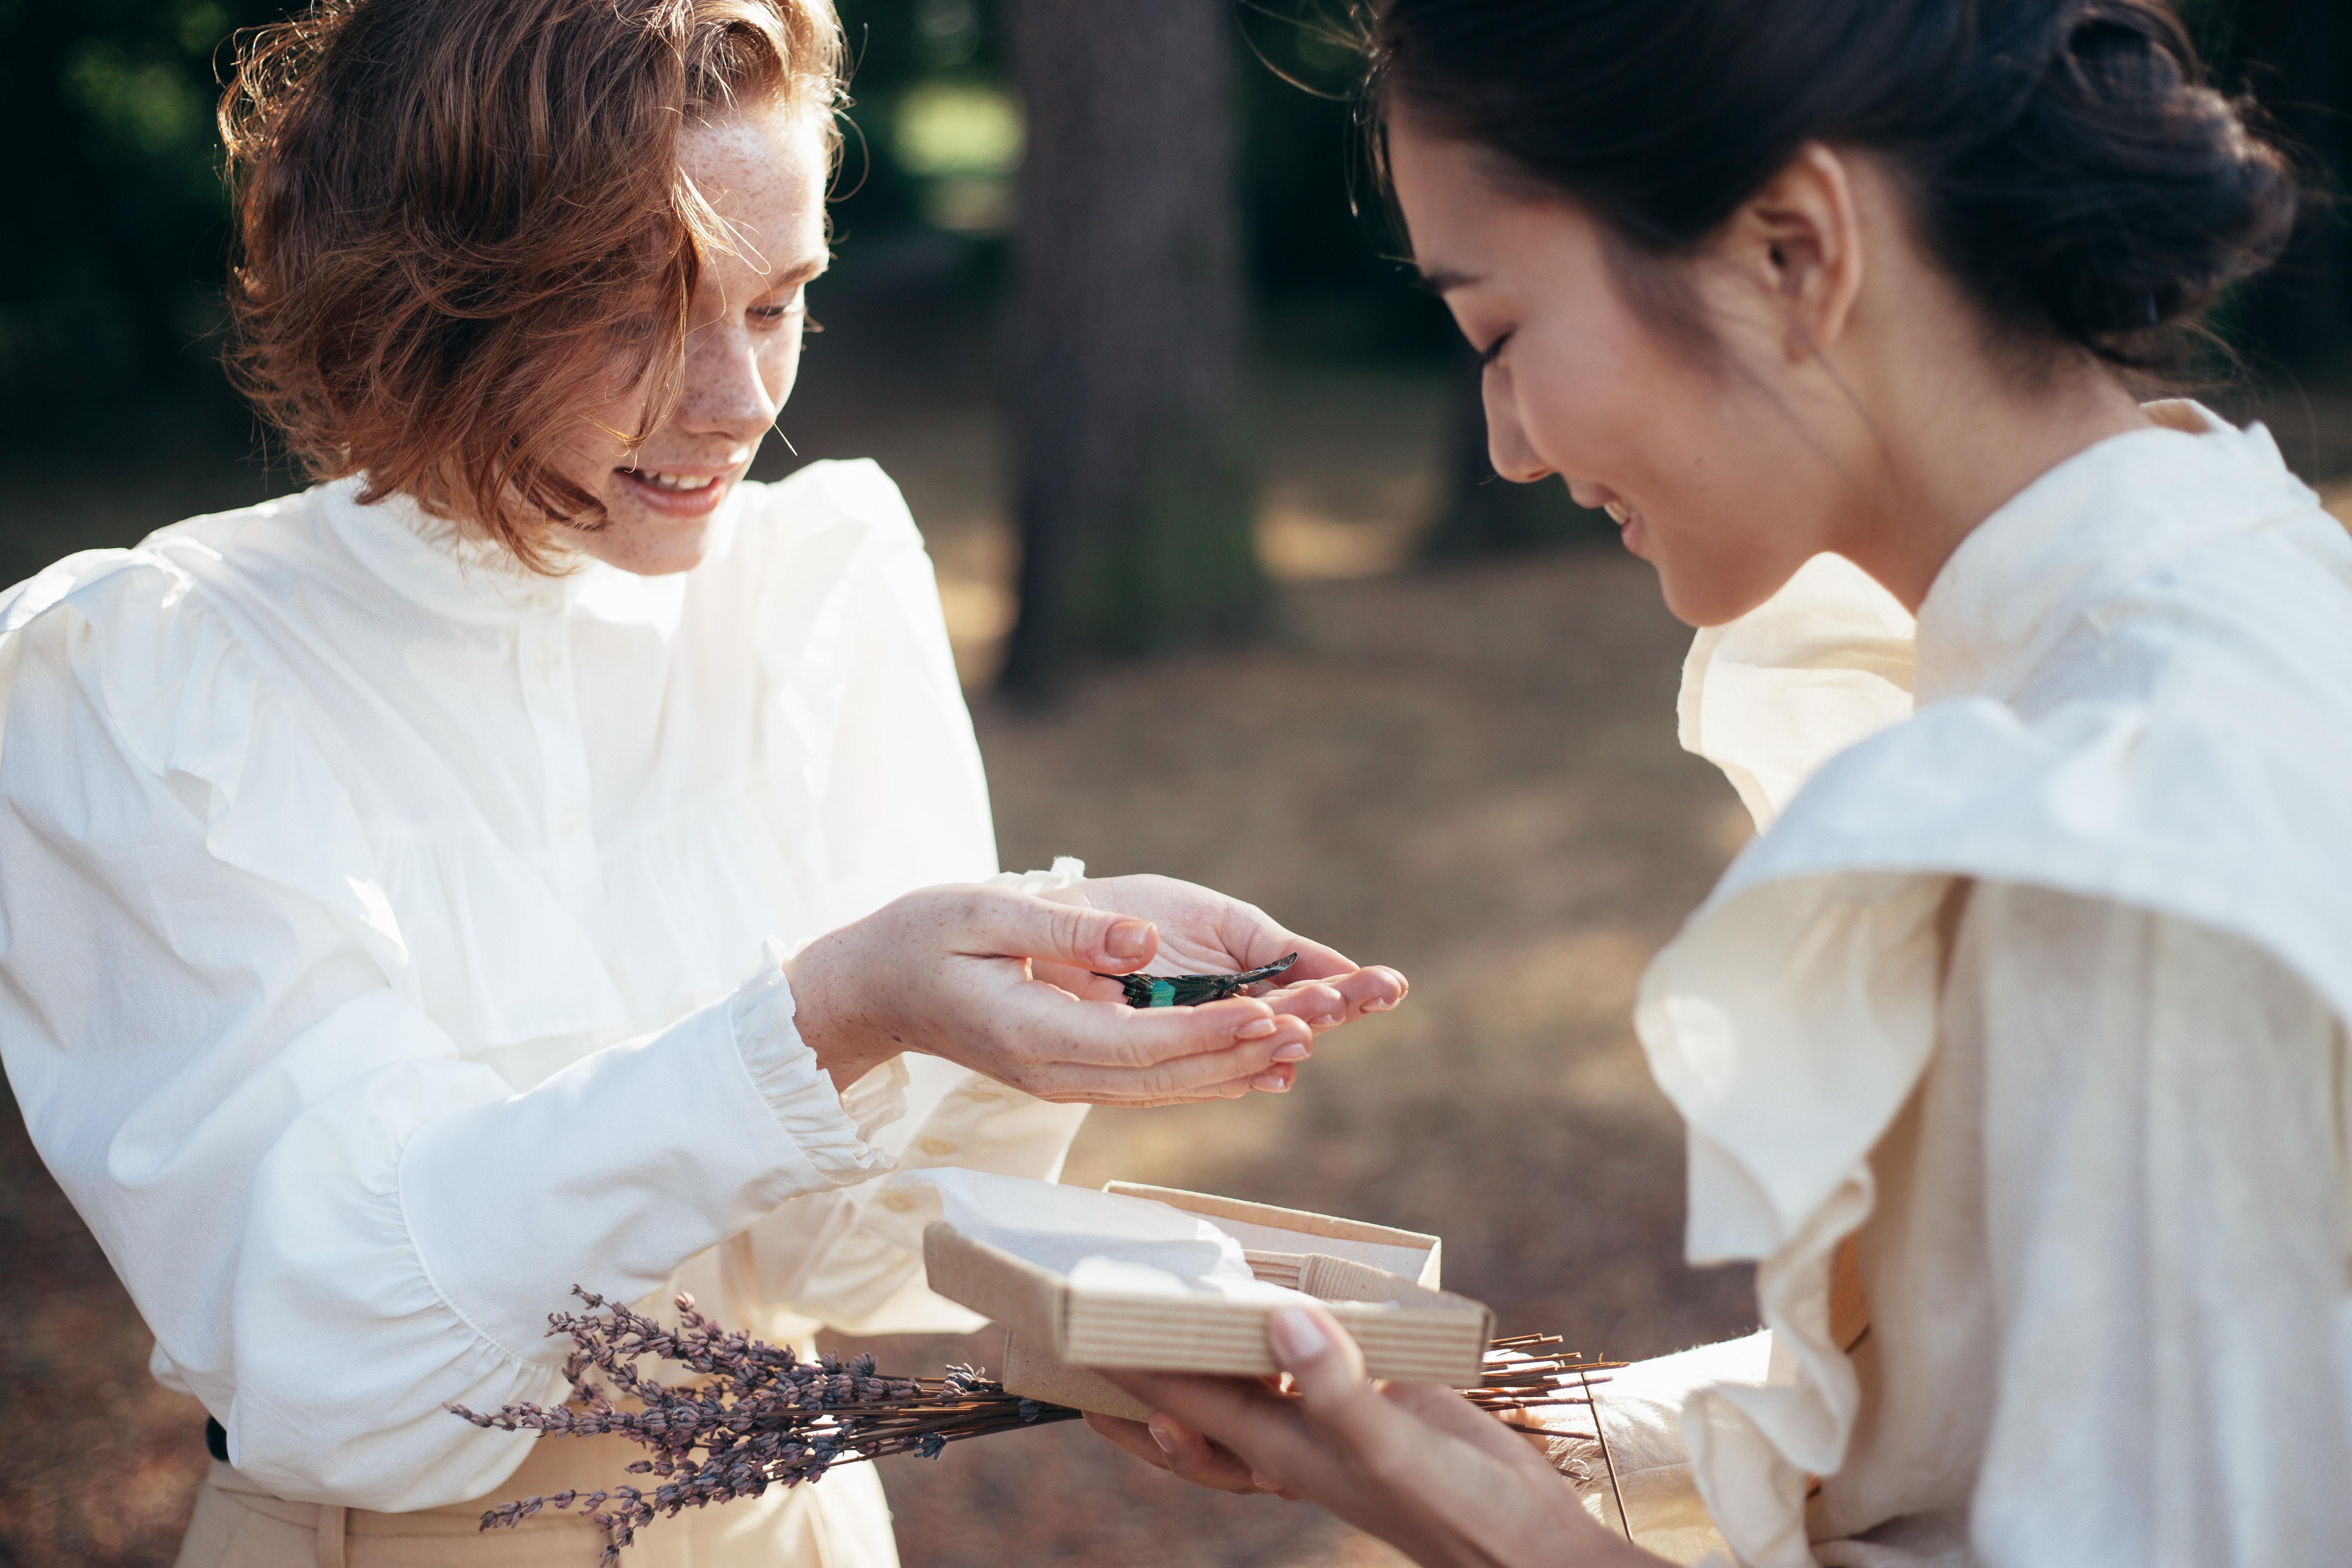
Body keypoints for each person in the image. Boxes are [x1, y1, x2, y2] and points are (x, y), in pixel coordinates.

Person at [0, 3, 1407, 1565]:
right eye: (646, 312)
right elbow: (338, 1351)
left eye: (779, 301)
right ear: (431, 289)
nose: (741, 403)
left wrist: (1011, 1003)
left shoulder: (811, 599)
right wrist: (826, 1015)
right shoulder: (151, 677)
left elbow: (857, 1272)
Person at [1084, 1, 2352, 1564]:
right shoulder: (2191, 617)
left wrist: (1482, 1525)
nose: (1509, 451)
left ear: (1795, 253)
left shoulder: (2124, 821)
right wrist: (1485, 1435)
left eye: (1501, 334)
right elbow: (2005, 1409)